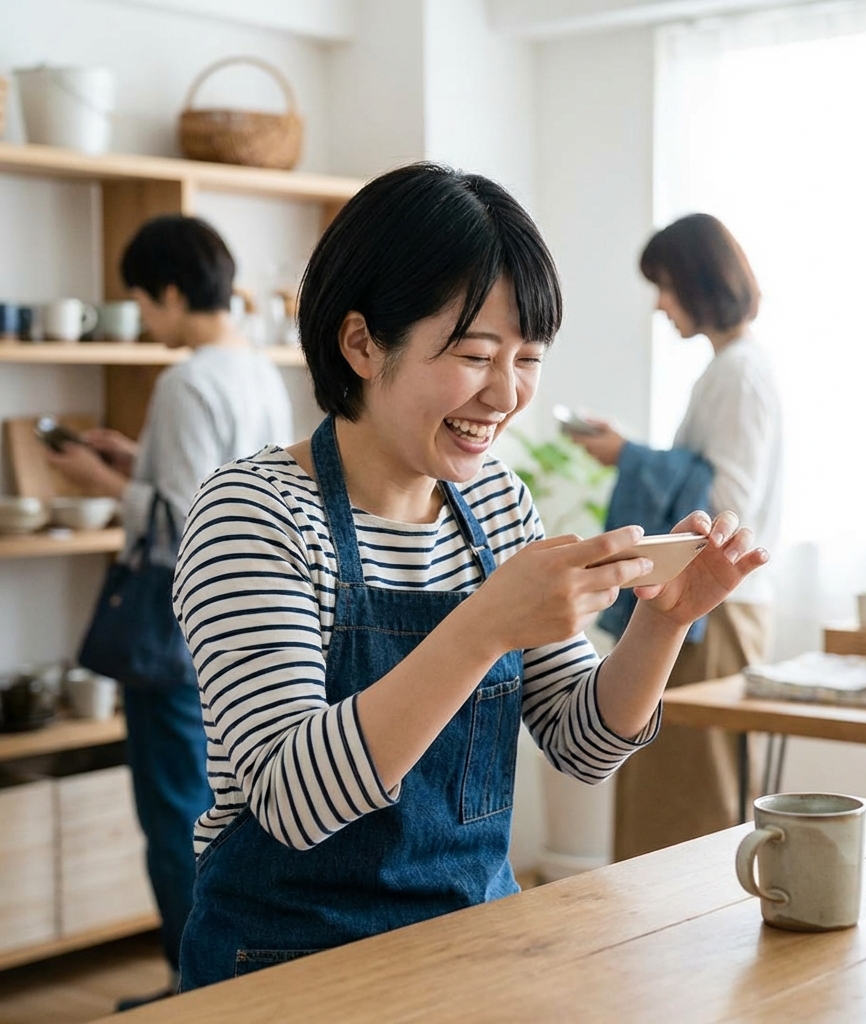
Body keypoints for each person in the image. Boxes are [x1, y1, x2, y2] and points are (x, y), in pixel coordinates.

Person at [170, 165, 768, 992]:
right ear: (361, 343)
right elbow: (293, 801)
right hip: (286, 969)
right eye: (476, 355)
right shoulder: (253, 512)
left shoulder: (496, 504)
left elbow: (584, 744)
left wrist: (663, 621)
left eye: (528, 358)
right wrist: (485, 624)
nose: (506, 394)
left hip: (472, 953)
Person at [46, 215, 294, 1006]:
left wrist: (103, 483)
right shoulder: (257, 370)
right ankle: (224, 981)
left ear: (173, 292)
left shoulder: (186, 381)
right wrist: (136, 460)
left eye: (143, 300)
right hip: (253, 615)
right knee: (226, 810)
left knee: (174, 811)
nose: (144, 317)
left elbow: (191, 515)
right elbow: (236, 485)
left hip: (178, 622)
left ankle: (192, 988)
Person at [567, 213, 782, 859]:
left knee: (691, 796)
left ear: (697, 281)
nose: (660, 304)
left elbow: (728, 506)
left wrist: (631, 456)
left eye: (665, 285)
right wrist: (630, 451)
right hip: (715, 608)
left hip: (716, 610)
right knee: (676, 784)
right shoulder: (732, 368)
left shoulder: (738, 373)